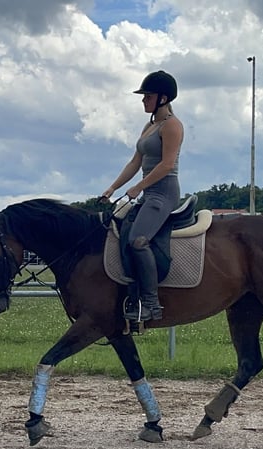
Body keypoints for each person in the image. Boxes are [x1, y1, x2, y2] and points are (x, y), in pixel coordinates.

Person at [100, 70, 184, 322]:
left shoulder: (172, 126)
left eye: (148, 96)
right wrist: (112, 187)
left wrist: (139, 187)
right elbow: (135, 161)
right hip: (148, 193)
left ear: (163, 98)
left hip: (164, 193)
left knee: (138, 240)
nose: (143, 100)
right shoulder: (149, 126)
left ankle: (151, 304)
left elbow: (167, 164)